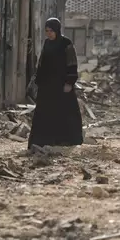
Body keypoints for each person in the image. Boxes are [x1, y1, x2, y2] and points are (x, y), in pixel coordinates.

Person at [27, 18, 84, 149]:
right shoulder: (47, 43)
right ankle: (43, 141)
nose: (49, 34)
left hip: (61, 85)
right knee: (45, 114)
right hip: (47, 86)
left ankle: (65, 140)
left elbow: (72, 63)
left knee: (65, 112)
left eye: (51, 31)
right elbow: (42, 63)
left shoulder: (66, 43)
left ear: (57, 30)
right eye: (47, 31)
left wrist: (69, 82)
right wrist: (37, 80)